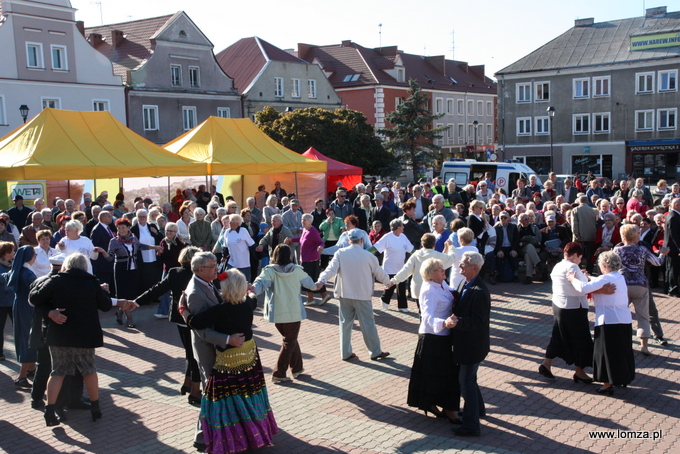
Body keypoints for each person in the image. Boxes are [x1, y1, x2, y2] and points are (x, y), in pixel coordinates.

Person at [181, 268, 278, 453]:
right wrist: (249, 289)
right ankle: (254, 430)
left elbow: (194, 322)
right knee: (250, 391)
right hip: (249, 354)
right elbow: (252, 296)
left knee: (219, 398)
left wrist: (181, 308)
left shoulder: (220, 310)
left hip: (229, 361)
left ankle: (230, 437)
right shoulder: (248, 303)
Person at [29, 253, 114, 425]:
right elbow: (105, 306)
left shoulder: (56, 280)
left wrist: (49, 312)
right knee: (89, 370)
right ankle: (95, 408)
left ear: (66, 265)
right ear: (85, 266)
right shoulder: (92, 282)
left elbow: (34, 298)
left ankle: (50, 410)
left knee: (58, 371)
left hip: (60, 334)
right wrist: (103, 292)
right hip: (85, 335)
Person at [136, 246, 202, 405]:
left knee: (189, 351)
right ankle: (194, 391)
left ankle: (187, 383)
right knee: (196, 355)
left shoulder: (174, 273)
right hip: (195, 318)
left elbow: (156, 290)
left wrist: (137, 302)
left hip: (180, 319)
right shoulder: (199, 274)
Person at [317, 230, 391, 361]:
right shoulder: (369, 256)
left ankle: (345, 353)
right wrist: (389, 282)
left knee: (345, 324)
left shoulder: (341, 253)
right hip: (362, 295)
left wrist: (322, 280)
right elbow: (380, 273)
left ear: (348, 240)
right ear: (362, 240)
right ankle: (375, 351)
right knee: (368, 324)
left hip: (344, 293)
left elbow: (330, 269)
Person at [567, 252, 635, 395]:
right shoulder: (619, 276)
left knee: (606, 354)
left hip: (609, 321)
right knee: (622, 352)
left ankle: (607, 384)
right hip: (624, 320)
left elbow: (584, 288)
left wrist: (573, 279)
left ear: (603, 265)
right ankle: (622, 378)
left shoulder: (605, 278)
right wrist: (589, 277)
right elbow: (598, 282)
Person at [251, 244, 317, 383]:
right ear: (290, 256)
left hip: (277, 312)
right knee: (289, 341)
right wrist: (318, 285)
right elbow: (310, 284)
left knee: (291, 339)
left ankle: (297, 368)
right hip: (293, 312)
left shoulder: (269, 271)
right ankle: (279, 373)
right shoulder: (297, 270)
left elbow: (260, 283)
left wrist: (251, 291)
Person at [538, 243, 600, 382]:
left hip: (559, 306)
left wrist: (582, 275)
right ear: (576, 255)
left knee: (559, 336)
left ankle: (546, 364)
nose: (580, 260)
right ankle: (579, 371)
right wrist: (588, 277)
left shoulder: (558, 265)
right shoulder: (573, 267)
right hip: (573, 309)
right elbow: (583, 287)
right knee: (580, 340)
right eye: (580, 257)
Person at [445, 251, 491, 437]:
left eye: (463, 264)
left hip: (473, 346)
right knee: (470, 380)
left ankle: (472, 425)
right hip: (469, 343)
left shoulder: (480, 291)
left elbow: (478, 321)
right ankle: (478, 410)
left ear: (474, 268)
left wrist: (458, 322)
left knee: (465, 382)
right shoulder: (465, 282)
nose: (459, 266)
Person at [408, 258, 460, 421]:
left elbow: (452, 292)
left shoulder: (442, 284)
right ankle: (431, 404)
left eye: (442, 268)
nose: (443, 270)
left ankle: (443, 406)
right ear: (430, 275)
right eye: (438, 269)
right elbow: (427, 317)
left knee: (444, 375)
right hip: (432, 338)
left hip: (444, 336)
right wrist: (443, 323)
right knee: (433, 376)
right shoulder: (429, 290)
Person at [613, 224, 668, 355]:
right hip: (640, 284)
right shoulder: (642, 249)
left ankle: (620, 343)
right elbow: (657, 262)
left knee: (619, 315)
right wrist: (663, 253)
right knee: (643, 316)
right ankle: (644, 346)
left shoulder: (617, 250)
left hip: (623, 284)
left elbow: (611, 267)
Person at [107, 218, 161, 328]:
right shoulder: (114, 241)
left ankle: (120, 312)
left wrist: (154, 247)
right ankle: (129, 318)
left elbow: (140, 246)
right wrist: (103, 253)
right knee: (123, 294)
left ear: (128, 228)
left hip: (133, 268)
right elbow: (110, 257)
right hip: (121, 269)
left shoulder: (133, 238)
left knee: (131, 294)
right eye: (119, 228)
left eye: (123, 227)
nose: (121, 230)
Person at [390, 233, 456, 310]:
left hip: (418, 289)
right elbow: (452, 258)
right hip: (432, 290)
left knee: (421, 313)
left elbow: (406, 270)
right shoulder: (437, 255)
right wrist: (451, 246)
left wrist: (394, 280)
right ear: (434, 244)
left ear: (422, 243)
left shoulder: (416, 255)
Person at [6, 246, 38, 388]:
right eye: (34, 254)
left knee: (26, 337)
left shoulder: (20, 270)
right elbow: (36, 290)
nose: (36, 256)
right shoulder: (27, 273)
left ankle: (31, 368)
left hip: (21, 305)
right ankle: (22, 376)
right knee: (28, 339)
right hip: (27, 308)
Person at [373, 219, 415, 313]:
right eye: (402, 226)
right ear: (397, 227)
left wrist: (419, 255)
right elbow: (376, 247)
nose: (403, 227)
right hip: (389, 267)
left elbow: (411, 249)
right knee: (390, 287)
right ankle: (384, 299)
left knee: (402, 287)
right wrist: (364, 253)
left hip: (400, 267)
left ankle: (402, 306)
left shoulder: (403, 236)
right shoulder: (387, 237)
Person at [289, 214, 331, 306]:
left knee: (308, 279)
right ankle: (322, 296)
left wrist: (320, 246)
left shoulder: (313, 231)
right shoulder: (305, 229)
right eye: (302, 220)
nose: (302, 222)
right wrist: (291, 240)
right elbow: (301, 239)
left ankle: (314, 298)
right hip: (305, 259)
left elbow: (320, 242)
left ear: (310, 221)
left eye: (304, 220)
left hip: (311, 260)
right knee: (311, 279)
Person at [131, 209, 163, 296]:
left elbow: (160, 239)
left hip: (154, 256)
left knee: (154, 276)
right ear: (137, 218)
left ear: (146, 217)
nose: (142, 218)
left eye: (144, 216)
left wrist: (156, 232)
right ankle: (144, 297)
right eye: (140, 216)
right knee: (144, 277)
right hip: (141, 258)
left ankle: (155, 296)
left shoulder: (152, 227)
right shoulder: (133, 230)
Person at [217, 214, 255, 282]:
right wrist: (224, 256)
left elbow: (251, 244)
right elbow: (225, 246)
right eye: (230, 221)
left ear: (237, 223)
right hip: (232, 261)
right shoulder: (227, 232)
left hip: (243, 262)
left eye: (232, 221)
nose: (230, 223)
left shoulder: (243, 231)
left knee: (244, 281)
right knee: (227, 280)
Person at [0, 241, 15, 362]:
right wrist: (11, 273)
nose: (14, 253)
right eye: (12, 251)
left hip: (12, 300)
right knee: (0, 328)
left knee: (19, 327)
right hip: (1, 302)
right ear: (6, 253)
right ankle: (0, 353)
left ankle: (23, 350)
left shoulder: (13, 263)